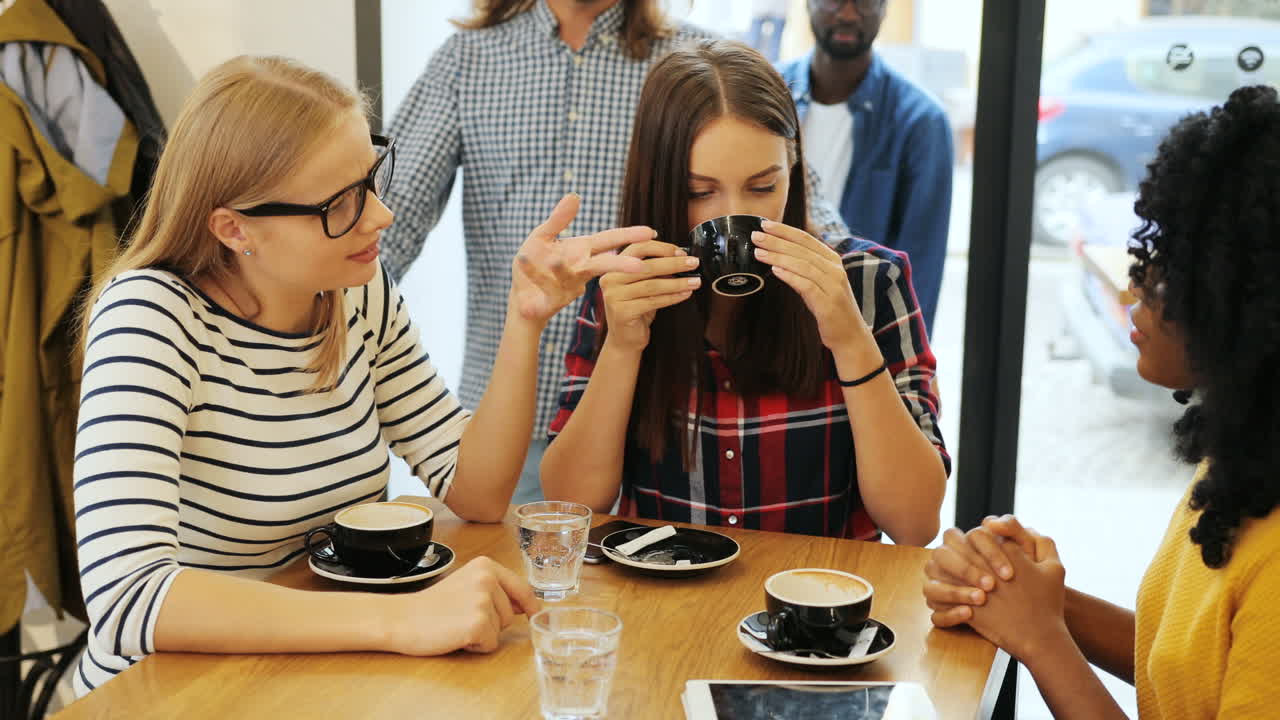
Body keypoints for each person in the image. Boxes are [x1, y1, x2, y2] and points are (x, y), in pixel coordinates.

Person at [71, 55, 651, 695]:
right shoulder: (150, 314)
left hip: (305, 676)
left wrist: (524, 320)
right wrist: (398, 619)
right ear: (235, 229)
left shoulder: (354, 291)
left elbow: (475, 490)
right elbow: (127, 598)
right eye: (340, 204)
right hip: (170, 692)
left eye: (371, 180)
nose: (381, 216)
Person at [380, 0, 846, 504]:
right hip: (510, 409)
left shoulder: (693, 62)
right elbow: (392, 216)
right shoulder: (466, 59)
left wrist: (855, 293)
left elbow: (794, 200)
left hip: (658, 410)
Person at [922, 86, 1280, 719]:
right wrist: (1031, 598)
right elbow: (1184, 664)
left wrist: (1039, 638)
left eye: (1170, 265)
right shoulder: (1246, 453)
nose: (1134, 284)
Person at [541, 39, 947, 546]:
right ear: (660, 184)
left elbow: (914, 525)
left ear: (793, 168)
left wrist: (850, 340)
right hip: (666, 603)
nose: (730, 217)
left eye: (761, 187)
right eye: (698, 192)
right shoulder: (625, 287)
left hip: (816, 608)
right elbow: (573, 504)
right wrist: (623, 348)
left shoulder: (868, 282)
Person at [776, 0, 952, 333]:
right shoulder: (768, 92)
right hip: (766, 316)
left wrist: (900, 367)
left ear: (886, 8)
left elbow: (921, 267)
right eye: (833, 0)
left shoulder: (920, 121)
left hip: (859, 331)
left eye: (866, 2)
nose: (847, 14)